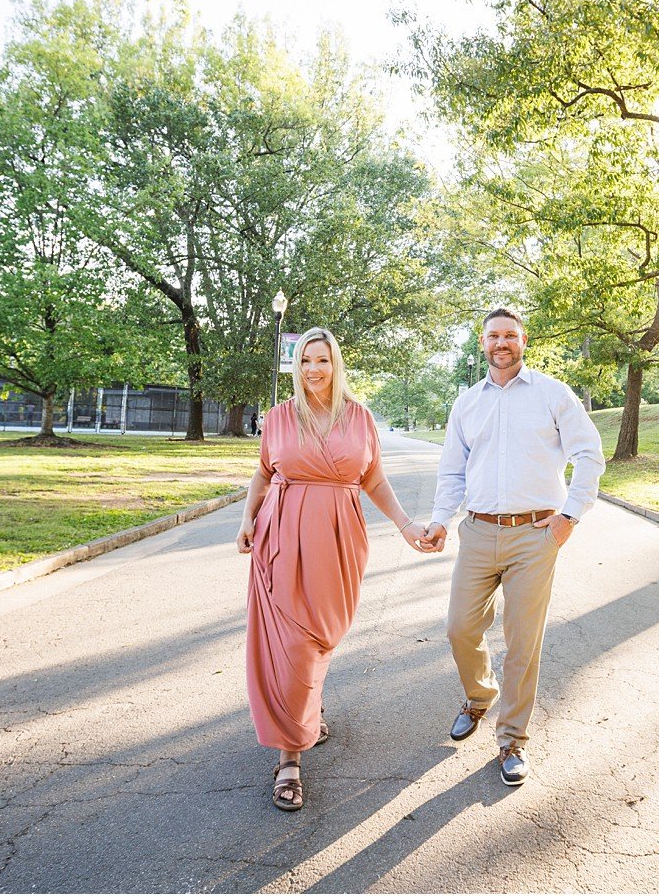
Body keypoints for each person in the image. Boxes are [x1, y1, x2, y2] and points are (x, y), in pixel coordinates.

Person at [235, 326, 439, 812]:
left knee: (323, 635)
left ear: (336, 363)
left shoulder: (361, 418)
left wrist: (406, 524)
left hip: (341, 540)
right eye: (304, 361)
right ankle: (290, 759)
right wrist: (247, 518)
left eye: (321, 360)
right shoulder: (280, 417)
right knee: (293, 641)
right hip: (281, 537)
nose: (312, 370)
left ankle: (308, 706)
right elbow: (265, 471)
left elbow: (374, 479)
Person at [425, 307, 605, 787]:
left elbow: (589, 453)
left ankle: (512, 740)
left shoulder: (553, 394)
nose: (501, 342)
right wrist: (442, 520)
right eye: (492, 336)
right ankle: (479, 695)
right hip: (479, 532)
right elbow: (452, 472)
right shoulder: (466, 404)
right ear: (481, 343)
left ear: (523, 340)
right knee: (460, 627)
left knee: (523, 642)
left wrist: (569, 515)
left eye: (509, 335)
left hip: (534, 535)